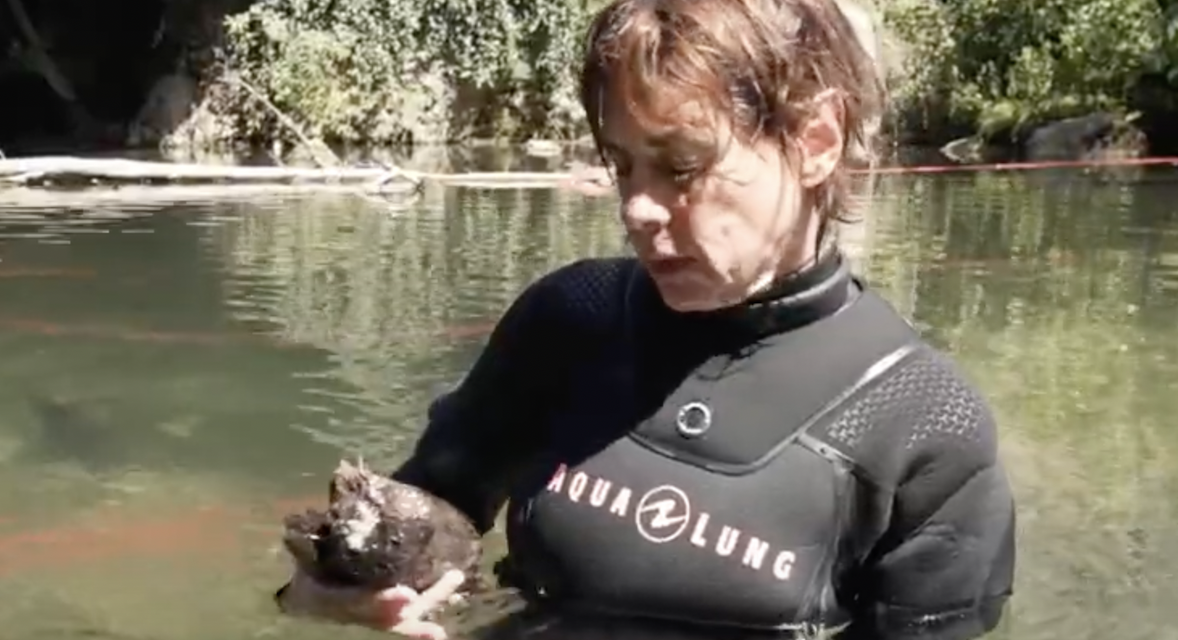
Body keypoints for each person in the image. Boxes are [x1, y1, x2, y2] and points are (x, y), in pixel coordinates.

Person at [275, 0, 1017, 638]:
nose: (637, 208)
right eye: (622, 165)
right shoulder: (570, 321)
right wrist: (329, 598)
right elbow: (421, 525)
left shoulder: (924, 425)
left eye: (682, 166)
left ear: (816, 142)